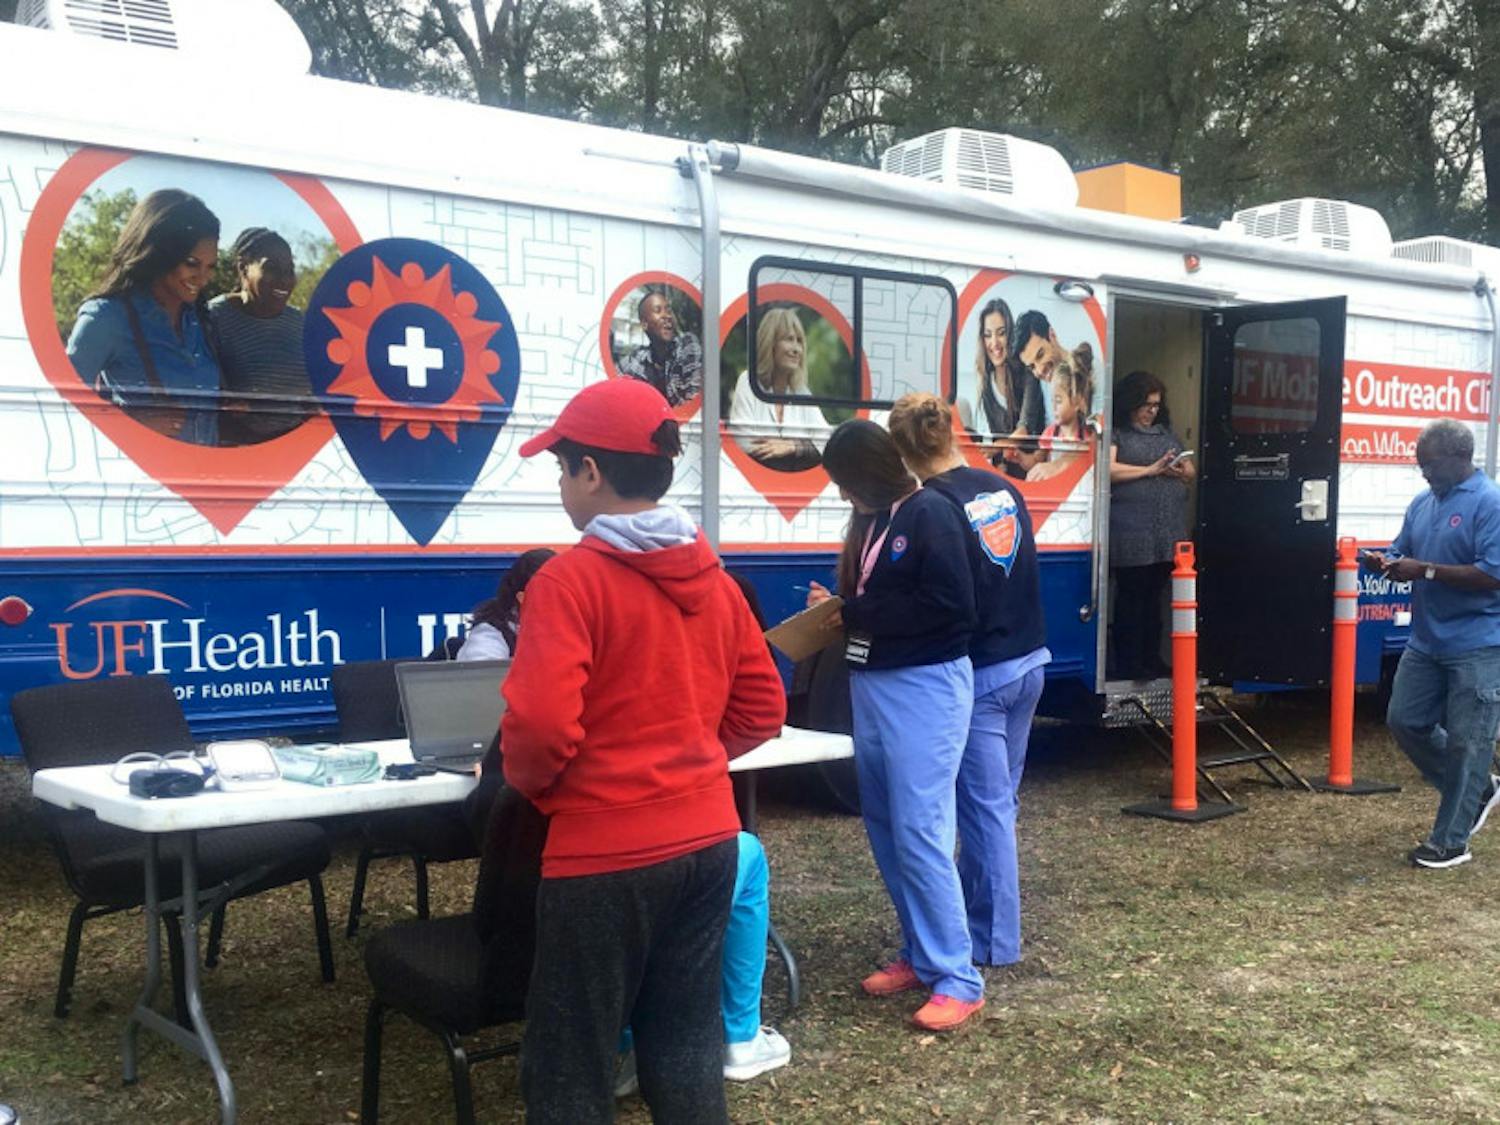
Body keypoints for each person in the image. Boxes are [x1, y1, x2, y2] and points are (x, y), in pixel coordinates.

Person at [500, 377, 786, 1122]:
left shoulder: (568, 581)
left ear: (590, 471)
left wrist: (546, 789)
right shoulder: (715, 579)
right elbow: (762, 709)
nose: (561, 484)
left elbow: (535, 730)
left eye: (562, 468)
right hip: (709, 842)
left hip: (602, 856)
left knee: (570, 1062)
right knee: (685, 1044)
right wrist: (688, 760)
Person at [807, 419, 982, 1032]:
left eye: (842, 481)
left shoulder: (930, 512)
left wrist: (852, 613)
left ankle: (958, 976)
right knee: (886, 828)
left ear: (867, 472)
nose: (838, 494)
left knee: (921, 829)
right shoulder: (875, 520)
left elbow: (952, 607)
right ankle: (921, 953)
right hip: (874, 684)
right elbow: (883, 602)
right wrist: (838, 613)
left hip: (924, 687)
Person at [888, 393, 1049, 974]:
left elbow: (944, 599)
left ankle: (991, 940)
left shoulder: (929, 507)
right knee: (998, 804)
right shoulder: (999, 487)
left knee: (984, 813)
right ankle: (986, 926)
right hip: (1029, 658)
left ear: (902, 451)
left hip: (980, 672)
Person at [1364, 418, 1500, 869]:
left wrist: (1423, 570)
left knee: (1469, 742)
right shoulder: (1423, 503)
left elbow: (1491, 575)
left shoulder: (1489, 503)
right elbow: (1403, 550)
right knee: (1405, 721)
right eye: (1419, 463)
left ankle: (1450, 841)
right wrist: (1384, 561)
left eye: (1429, 463)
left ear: (1461, 457)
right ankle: (1477, 788)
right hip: (1426, 640)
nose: (1422, 471)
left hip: (1479, 642)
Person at [65, 189, 222, 446]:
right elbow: (56, 409)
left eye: (211, 266)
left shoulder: (201, 319)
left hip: (202, 478)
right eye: (192, 263)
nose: (203, 278)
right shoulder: (107, 318)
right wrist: (131, 424)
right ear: (160, 254)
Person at [1108, 370, 1192, 680]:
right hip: (1132, 530)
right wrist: (1150, 470)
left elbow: (1190, 471)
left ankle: (1151, 658)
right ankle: (1129, 662)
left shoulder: (1166, 434)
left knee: (1155, 598)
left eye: (1156, 405)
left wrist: (1178, 470)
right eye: (1146, 405)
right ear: (1130, 404)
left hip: (1166, 529)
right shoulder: (1118, 433)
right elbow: (1110, 470)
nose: (1151, 411)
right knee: (1132, 597)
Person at [207, 227, 316, 444]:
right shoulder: (214, 318)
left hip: (298, 451)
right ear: (243, 267)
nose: (285, 280)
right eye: (272, 268)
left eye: (289, 270)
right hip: (239, 454)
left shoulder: (299, 323)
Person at [728, 306, 834, 471]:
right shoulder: (748, 381)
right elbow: (744, 442)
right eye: (789, 339)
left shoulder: (801, 392)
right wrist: (804, 449)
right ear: (770, 343)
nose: (796, 349)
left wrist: (793, 446)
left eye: (799, 341)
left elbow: (827, 441)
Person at [956, 297, 1044, 441]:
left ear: (1010, 335)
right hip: (1003, 460)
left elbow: (1024, 428)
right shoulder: (986, 383)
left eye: (1001, 333)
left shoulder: (1028, 371)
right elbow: (996, 437)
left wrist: (994, 449)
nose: (994, 343)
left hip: (1033, 460)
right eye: (988, 335)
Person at [457, 547, 558, 662]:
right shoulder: (491, 634)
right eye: (549, 594)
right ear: (522, 598)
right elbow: (481, 674)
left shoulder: (571, 625)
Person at [616, 288, 703, 407]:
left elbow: (693, 400)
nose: (667, 316)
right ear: (644, 324)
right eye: (658, 310)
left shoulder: (687, 346)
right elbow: (615, 385)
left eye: (668, 310)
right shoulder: (638, 360)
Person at [1013, 309, 1095, 427]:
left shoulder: (1093, 368)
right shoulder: (1045, 382)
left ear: (1052, 335)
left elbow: (1099, 424)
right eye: (1032, 366)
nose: (1039, 370)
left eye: (1040, 355)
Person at [1024, 359, 1093, 482]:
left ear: (1077, 402)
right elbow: (1036, 460)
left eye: (1059, 401)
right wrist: (1021, 458)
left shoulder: (1087, 435)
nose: (1054, 407)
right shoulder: (1050, 432)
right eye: (1052, 401)